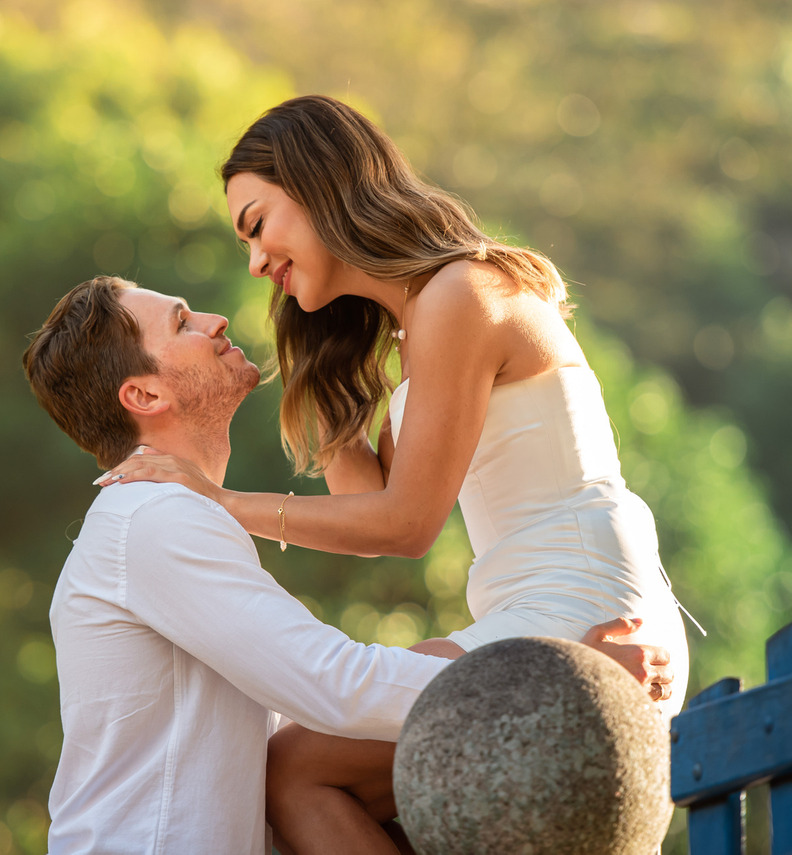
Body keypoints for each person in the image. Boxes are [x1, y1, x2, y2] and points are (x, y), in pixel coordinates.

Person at [93, 95, 698, 851]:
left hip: (580, 601)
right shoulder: (418, 327)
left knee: (295, 773)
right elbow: (373, 518)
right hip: (529, 604)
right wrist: (317, 371)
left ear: (321, 187)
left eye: (257, 225)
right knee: (329, 782)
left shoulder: (462, 293)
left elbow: (407, 525)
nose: (253, 263)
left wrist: (216, 500)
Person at [24, 275, 673, 855]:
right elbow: (336, 685)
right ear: (144, 392)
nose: (215, 321)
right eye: (183, 322)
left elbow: (279, 754)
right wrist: (552, 682)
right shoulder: (153, 519)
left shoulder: (170, 520)